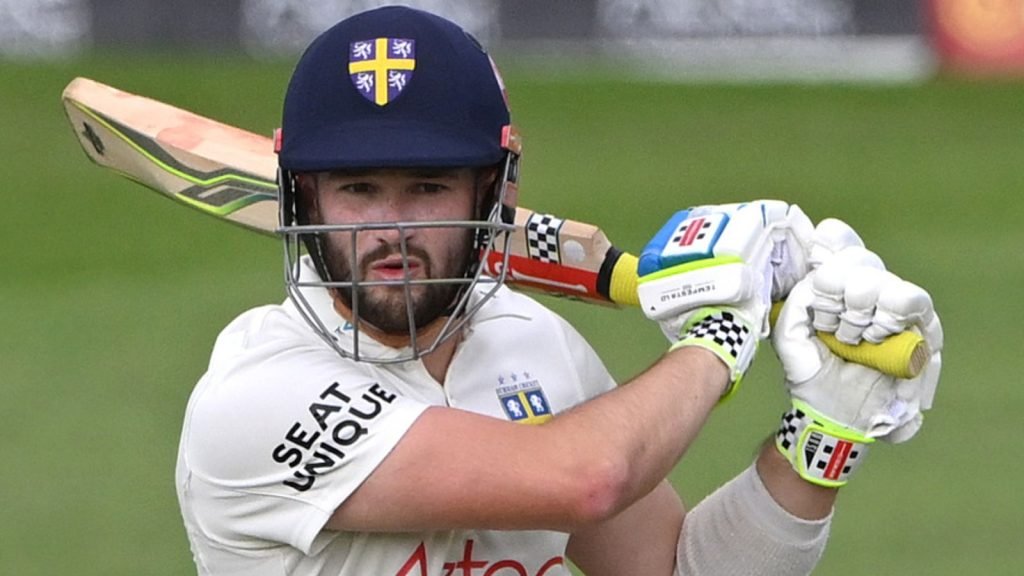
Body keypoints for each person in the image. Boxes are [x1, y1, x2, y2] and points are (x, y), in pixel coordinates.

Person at [175, 6, 943, 575]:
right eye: (359, 189)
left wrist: (824, 431)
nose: (393, 229)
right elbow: (587, 479)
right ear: (304, 199)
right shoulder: (254, 395)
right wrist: (722, 333)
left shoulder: (531, 342)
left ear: (496, 195)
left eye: (429, 186)